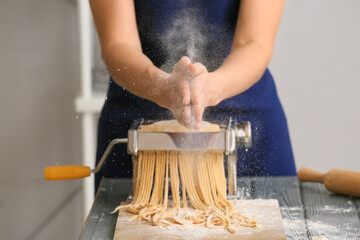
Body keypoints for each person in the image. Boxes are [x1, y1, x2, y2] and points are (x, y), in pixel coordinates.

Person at [90, 0, 296, 191]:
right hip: (138, 130)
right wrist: (162, 87)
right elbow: (118, 44)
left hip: (246, 125)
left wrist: (212, 87)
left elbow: (254, 42)